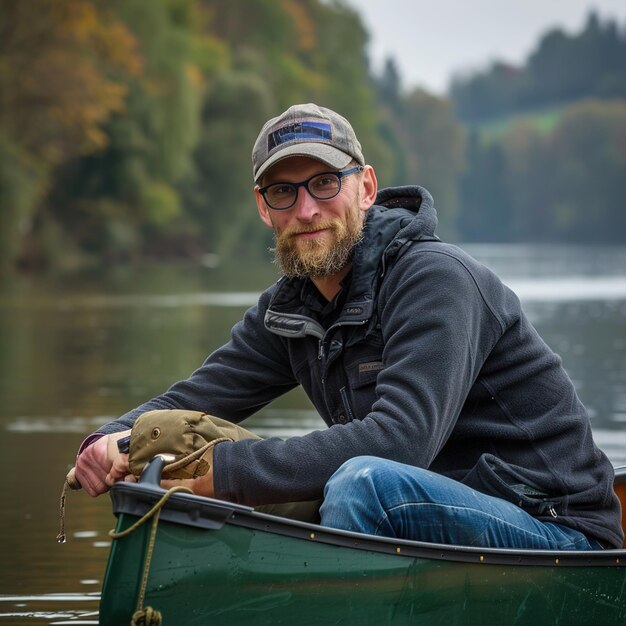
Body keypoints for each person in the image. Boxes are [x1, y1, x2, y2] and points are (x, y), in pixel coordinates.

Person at [75, 103, 623, 550]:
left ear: (365, 188)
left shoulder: (437, 280)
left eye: (323, 183)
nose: (306, 209)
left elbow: (399, 441)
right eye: (284, 192)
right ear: (264, 210)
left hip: (554, 526)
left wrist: (224, 467)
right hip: (428, 515)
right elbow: (197, 397)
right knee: (173, 471)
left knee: (362, 483)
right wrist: (109, 440)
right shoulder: (290, 309)